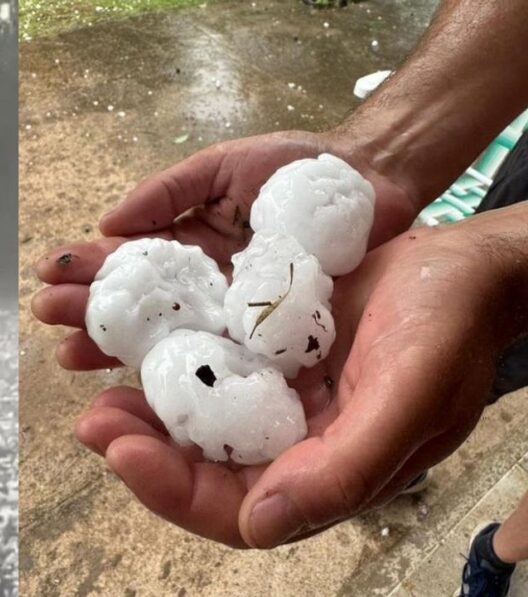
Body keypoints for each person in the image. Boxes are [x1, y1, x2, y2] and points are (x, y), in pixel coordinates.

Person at [31, 1, 528, 595]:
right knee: (459, 364)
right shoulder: (218, 306)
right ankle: (418, 440)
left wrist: (493, 265)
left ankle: (421, 438)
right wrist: (383, 152)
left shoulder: (269, 294)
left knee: (461, 359)